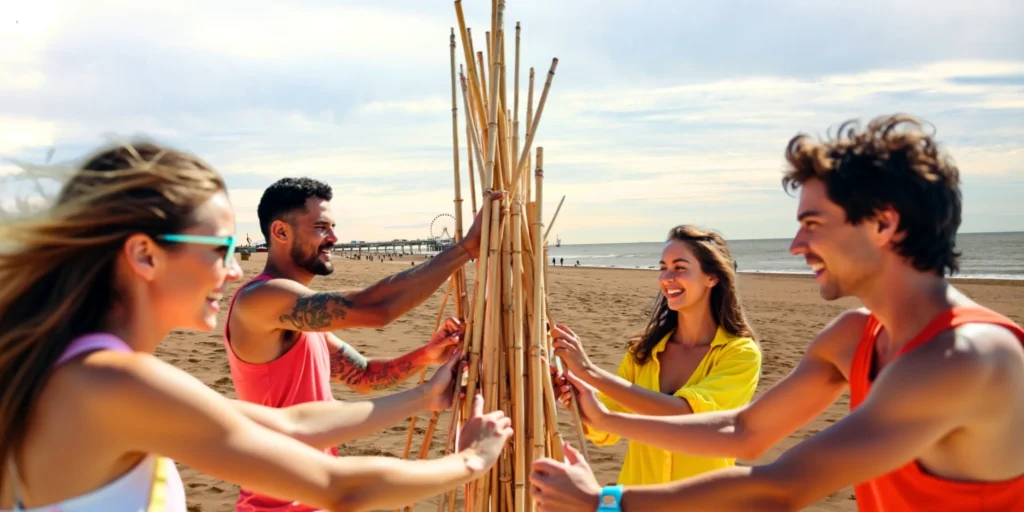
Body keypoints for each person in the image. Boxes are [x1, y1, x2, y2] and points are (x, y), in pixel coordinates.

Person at [528, 114, 1024, 511]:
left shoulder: (967, 357)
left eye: (812, 223)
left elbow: (781, 489)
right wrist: (608, 415)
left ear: (883, 223)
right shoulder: (851, 338)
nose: (795, 245)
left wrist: (604, 502)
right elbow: (743, 432)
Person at [0, 142, 513, 512]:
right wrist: (471, 460)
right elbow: (339, 487)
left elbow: (296, 425)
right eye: (221, 249)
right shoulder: (115, 380)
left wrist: (425, 391)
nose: (234, 268)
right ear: (144, 255)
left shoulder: (88, 373)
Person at [225, 177, 500, 510]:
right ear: (281, 232)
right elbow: (376, 308)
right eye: (321, 227)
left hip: (317, 495)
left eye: (333, 227)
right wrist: (467, 248)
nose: (334, 238)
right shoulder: (261, 299)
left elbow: (364, 375)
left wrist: (425, 356)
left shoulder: (295, 317)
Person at [549, 225, 761, 486]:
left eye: (680, 267)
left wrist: (591, 373)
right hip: (638, 500)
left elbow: (688, 418)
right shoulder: (643, 352)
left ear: (712, 277)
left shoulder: (739, 354)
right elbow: (606, 430)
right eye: (663, 267)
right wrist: (577, 398)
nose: (667, 277)